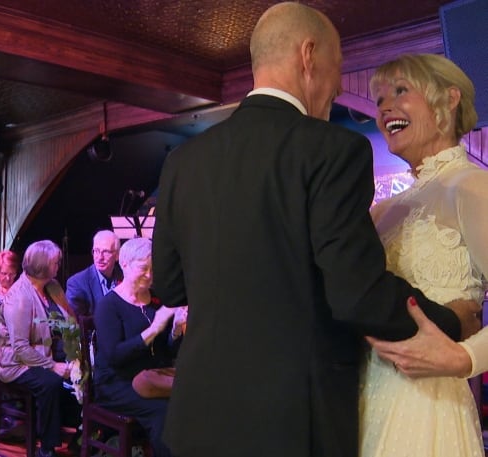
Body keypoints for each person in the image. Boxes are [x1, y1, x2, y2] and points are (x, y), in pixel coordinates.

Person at [150, 3, 480, 456]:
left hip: (198, 419)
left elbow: (170, 286)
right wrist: (452, 322)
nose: (341, 86)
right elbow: (355, 293)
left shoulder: (183, 161)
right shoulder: (331, 149)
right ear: (309, 56)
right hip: (292, 422)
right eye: (339, 68)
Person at [354, 54, 488, 457]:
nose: (385, 108)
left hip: (427, 408)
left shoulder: (471, 186)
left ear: (448, 99)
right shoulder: (380, 212)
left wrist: (465, 356)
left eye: (400, 91)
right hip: (364, 401)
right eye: (378, 100)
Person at [93, 237, 185, 457]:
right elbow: (115, 356)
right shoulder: (109, 305)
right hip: (117, 383)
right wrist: (154, 329)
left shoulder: (155, 300)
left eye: (153, 269)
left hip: (151, 377)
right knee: (163, 412)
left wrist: (176, 330)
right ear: (124, 264)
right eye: (144, 268)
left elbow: (166, 352)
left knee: (191, 400)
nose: (150, 274)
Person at [0, 240, 81, 457]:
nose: (58, 266)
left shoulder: (52, 287)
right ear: (42, 265)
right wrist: (53, 366)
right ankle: (47, 447)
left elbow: (71, 322)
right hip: (18, 363)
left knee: (90, 373)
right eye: (55, 262)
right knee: (51, 383)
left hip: (52, 352)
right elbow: (20, 349)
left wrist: (75, 355)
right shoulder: (20, 297)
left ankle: (82, 436)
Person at [66, 230, 122, 316]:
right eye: (96, 251)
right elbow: (76, 323)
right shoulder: (77, 283)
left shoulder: (124, 277)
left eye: (106, 252)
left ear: (117, 255)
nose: (100, 257)